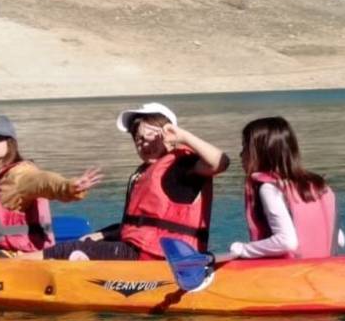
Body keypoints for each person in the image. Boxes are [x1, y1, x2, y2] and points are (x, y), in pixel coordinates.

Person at [40, 102, 230, 261]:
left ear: (169, 135)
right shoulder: (147, 171)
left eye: (150, 137)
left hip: (162, 256)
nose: (143, 144)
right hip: (142, 250)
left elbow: (220, 163)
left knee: (65, 251)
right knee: (83, 241)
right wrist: (101, 235)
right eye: (138, 139)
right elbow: (140, 226)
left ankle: (21, 265)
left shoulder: (183, 166)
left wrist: (183, 136)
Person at [0, 114, 102, 257]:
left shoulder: (19, 174)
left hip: (22, 255)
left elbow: (42, 181)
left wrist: (68, 186)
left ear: (9, 143)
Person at [225, 116, 344, 260]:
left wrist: (241, 249)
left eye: (245, 147)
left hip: (291, 269)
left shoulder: (270, 189)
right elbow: (340, 240)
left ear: (261, 152)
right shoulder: (320, 186)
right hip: (324, 266)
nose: (240, 154)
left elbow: (286, 242)